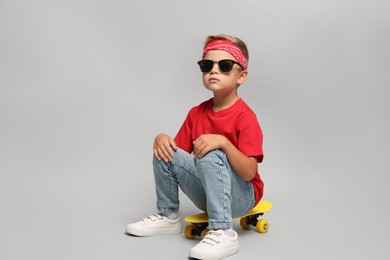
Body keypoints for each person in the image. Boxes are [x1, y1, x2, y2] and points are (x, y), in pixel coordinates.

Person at [126, 34, 264, 260]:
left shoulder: (245, 117)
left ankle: (222, 232)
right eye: (207, 65)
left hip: (242, 197)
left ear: (242, 76)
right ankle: (168, 216)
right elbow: (176, 156)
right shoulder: (196, 113)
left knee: (212, 152)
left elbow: (250, 172)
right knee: (165, 151)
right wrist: (161, 138)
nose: (214, 70)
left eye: (225, 65)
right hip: (209, 193)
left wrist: (223, 143)